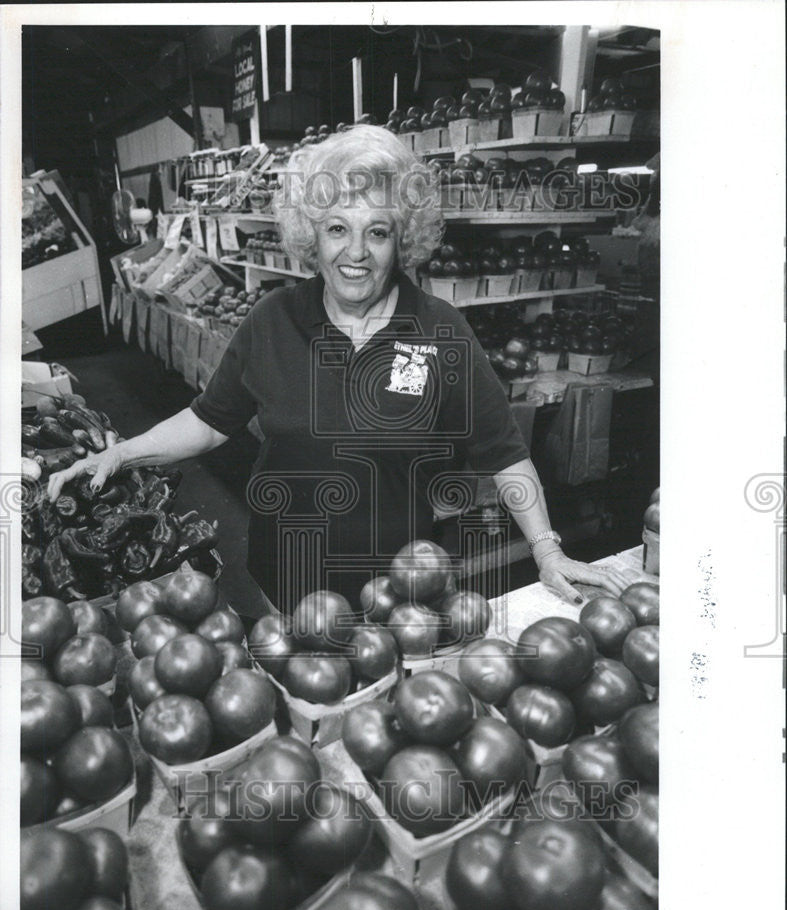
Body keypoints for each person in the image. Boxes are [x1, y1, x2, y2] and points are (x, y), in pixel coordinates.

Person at [48, 125, 629, 612]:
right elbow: (208, 420)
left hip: (405, 586)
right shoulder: (273, 318)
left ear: (402, 240)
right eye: (336, 229)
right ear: (311, 236)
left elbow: (505, 452)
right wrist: (119, 453)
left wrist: (549, 552)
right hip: (288, 578)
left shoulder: (441, 328)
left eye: (376, 232)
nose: (355, 253)